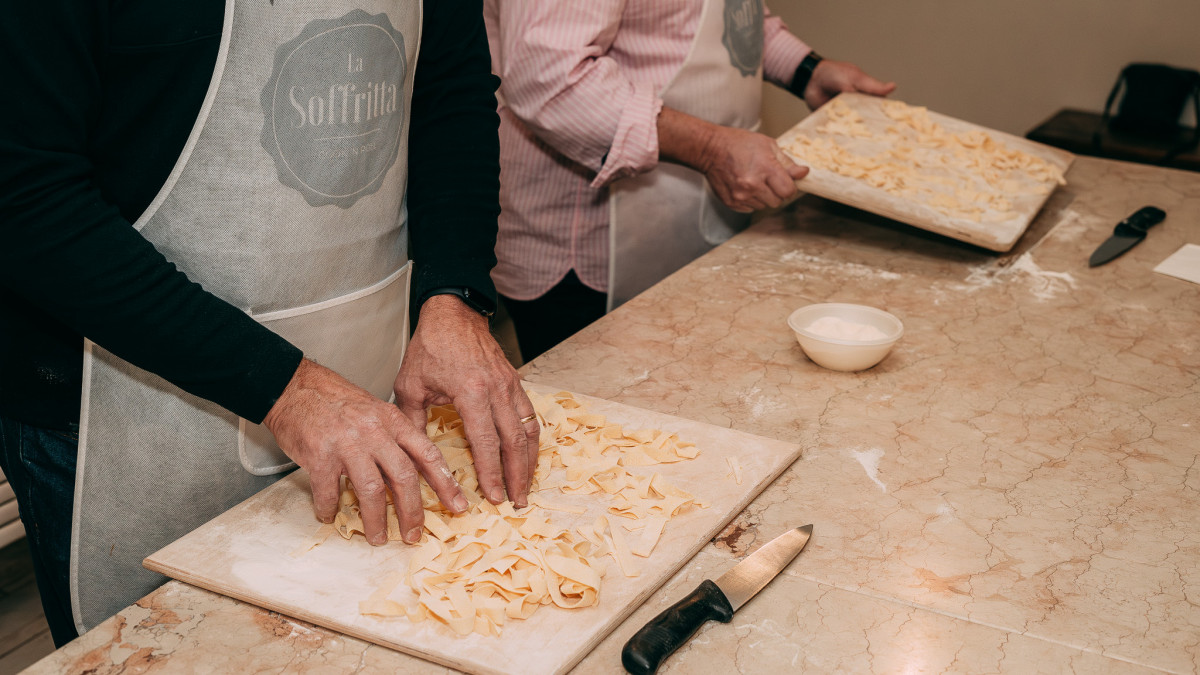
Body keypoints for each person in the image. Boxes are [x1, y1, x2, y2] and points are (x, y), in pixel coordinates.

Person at [0, 0, 537, 646]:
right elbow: (27, 198)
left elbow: (448, 87)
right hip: (122, 396)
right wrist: (287, 387)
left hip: (359, 373)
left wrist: (454, 292)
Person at [484, 1, 896, 362]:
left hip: (688, 219)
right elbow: (551, 79)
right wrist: (711, 149)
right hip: (584, 249)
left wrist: (807, 70)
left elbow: (728, 16)